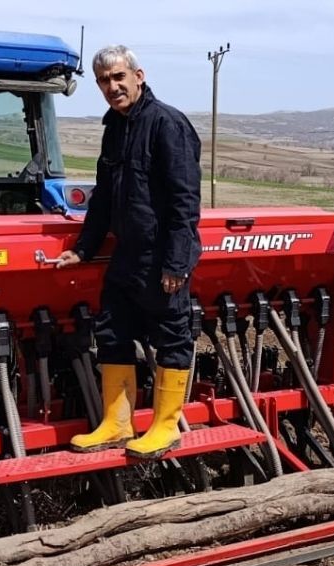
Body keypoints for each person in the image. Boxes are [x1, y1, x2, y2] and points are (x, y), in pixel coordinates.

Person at [55, 45, 202, 460]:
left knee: (173, 336)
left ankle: (165, 427)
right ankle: (117, 424)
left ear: (139, 75)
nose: (112, 86)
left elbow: (184, 201)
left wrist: (177, 261)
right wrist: (83, 248)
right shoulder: (114, 128)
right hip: (127, 254)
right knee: (112, 332)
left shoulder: (166, 124)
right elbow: (103, 198)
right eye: (104, 81)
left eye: (119, 77)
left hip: (162, 257)